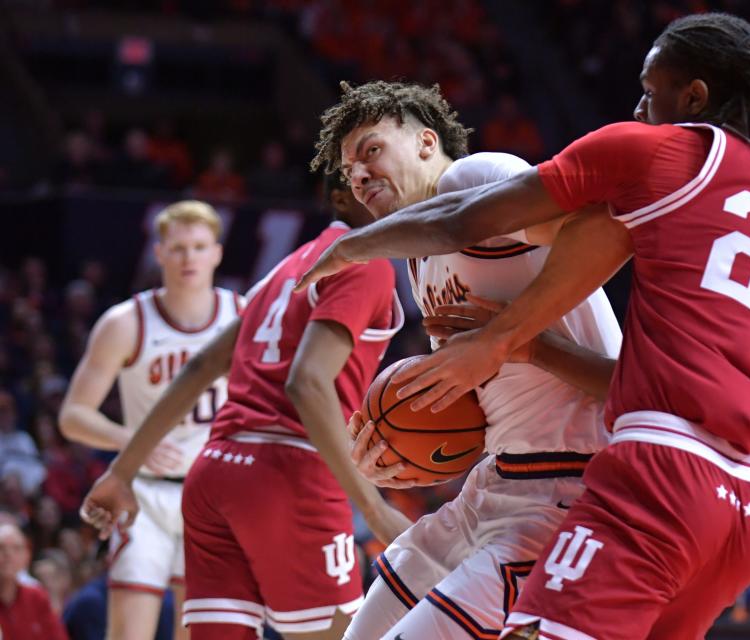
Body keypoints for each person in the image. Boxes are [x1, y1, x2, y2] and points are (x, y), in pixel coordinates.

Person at [296, 13, 750, 639]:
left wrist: (352, 248)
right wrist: (427, 426)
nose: (638, 107)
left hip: (638, 473)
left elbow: (465, 219)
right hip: (746, 497)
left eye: (649, 89)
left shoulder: (648, 154)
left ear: (693, 96)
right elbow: (649, 376)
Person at [312, 80, 621, 640]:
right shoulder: (419, 262)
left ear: (427, 142)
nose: (357, 175)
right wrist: (398, 452)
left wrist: (510, 336)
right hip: (491, 484)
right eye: (348, 170)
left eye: (371, 150)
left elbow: (597, 228)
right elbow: (487, 410)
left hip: (569, 490)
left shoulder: (479, 178)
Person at [80, 177, 407, 640]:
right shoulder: (365, 261)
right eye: (373, 180)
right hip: (291, 470)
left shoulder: (281, 270)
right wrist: (372, 507)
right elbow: (307, 381)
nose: (398, 190)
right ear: (339, 195)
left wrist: (121, 472)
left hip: (214, 470)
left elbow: (200, 366)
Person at [59, 200, 239, 640]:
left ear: (216, 253)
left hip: (212, 495)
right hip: (144, 493)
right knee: (128, 631)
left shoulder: (244, 315)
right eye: (177, 248)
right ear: (158, 253)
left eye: (198, 247)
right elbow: (73, 416)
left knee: (198, 630)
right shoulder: (125, 322)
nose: (188, 258)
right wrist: (137, 441)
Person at [0, 523, 68, 639]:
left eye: (16, 548)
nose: (8, 554)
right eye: (1, 548)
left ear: (27, 556)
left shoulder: (36, 596)